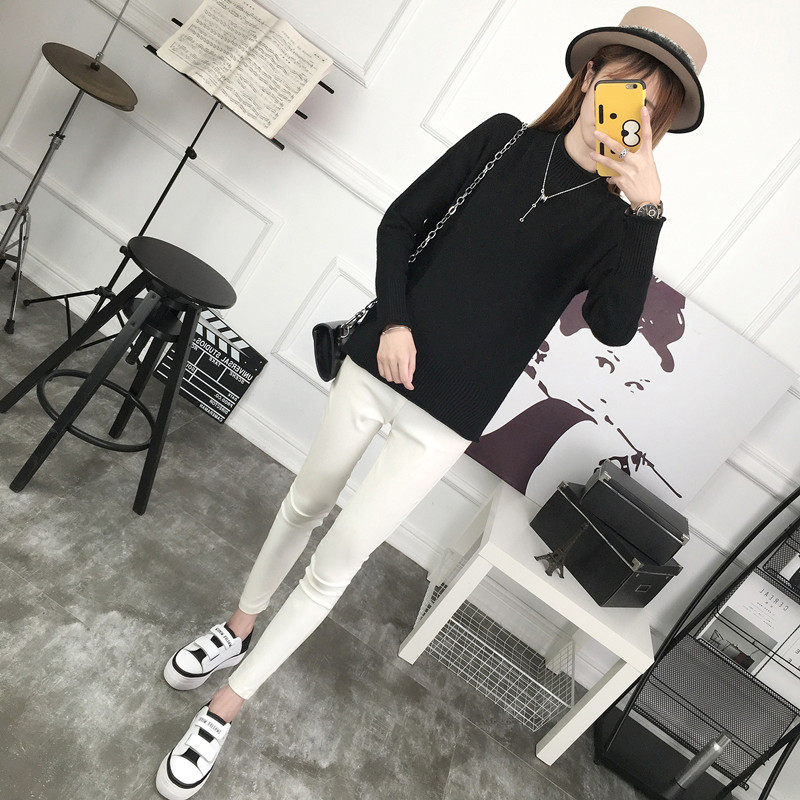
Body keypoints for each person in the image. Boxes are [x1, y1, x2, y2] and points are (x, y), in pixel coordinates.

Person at [155, 7, 707, 798]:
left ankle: (226, 706)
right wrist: (397, 322)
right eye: (625, 86)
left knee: (339, 561)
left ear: (656, 128)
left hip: (448, 418)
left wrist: (648, 211)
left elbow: (617, 327)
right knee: (305, 503)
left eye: (650, 109)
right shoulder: (505, 140)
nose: (631, 112)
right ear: (590, 77)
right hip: (376, 366)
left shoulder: (618, 223)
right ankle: (238, 626)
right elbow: (402, 222)